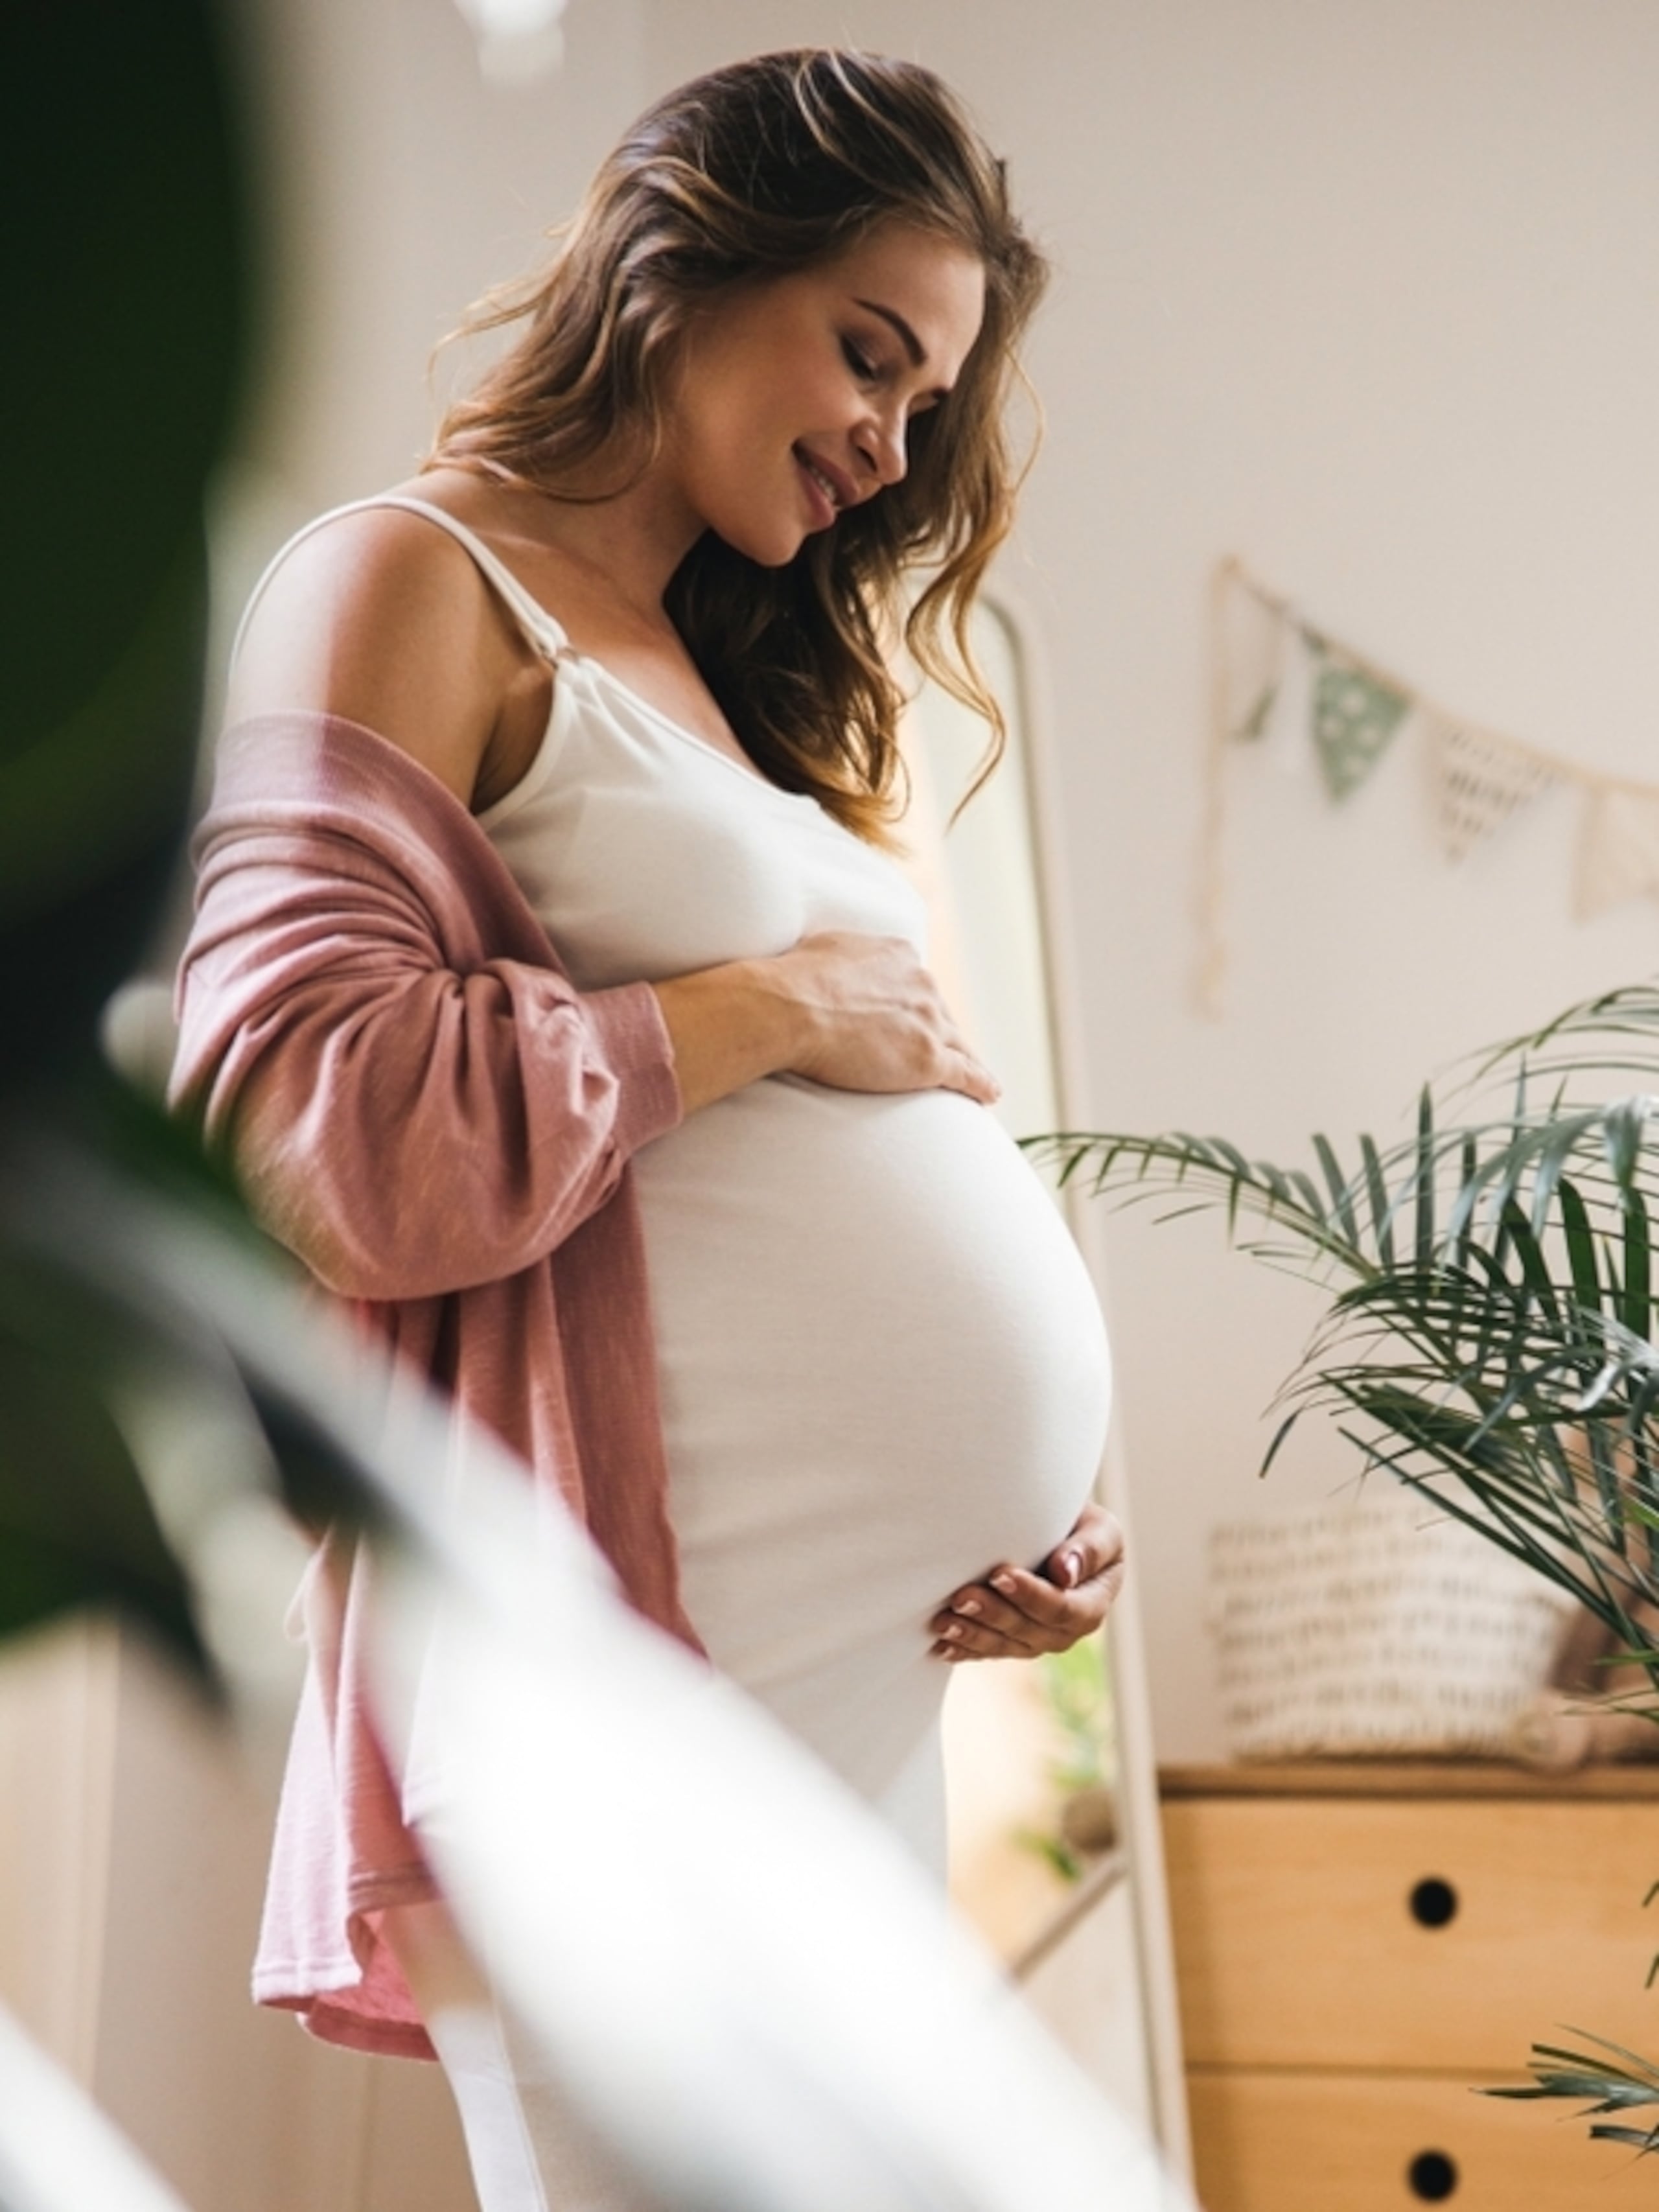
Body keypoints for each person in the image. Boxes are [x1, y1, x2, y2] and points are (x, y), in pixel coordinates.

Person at [173, 47, 1122, 2211]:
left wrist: (1037, 1497)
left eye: (929, 405)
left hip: (852, 1677)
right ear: (683, 263)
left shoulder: (735, 676)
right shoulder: (411, 577)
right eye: (869, 353)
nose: (893, 443)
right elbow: (302, 1124)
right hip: (610, 1669)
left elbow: (882, 1146)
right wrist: (767, 1003)